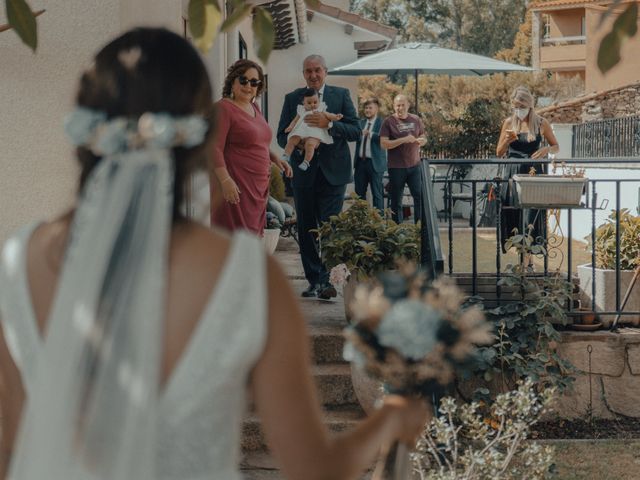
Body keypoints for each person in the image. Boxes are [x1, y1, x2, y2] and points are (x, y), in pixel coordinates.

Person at [0, 28, 430, 480]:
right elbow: (315, 468)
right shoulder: (246, 275)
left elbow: (9, 451)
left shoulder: (17, 261)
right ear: (197, 134)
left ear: (85, 128)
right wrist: (393, 416)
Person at [277, 54, 361, 299]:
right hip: (303, 174)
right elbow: (282, 135)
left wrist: (330, 124)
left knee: (331, 228)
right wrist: (300, 146)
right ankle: (315, 280)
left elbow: (355, 131)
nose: (313, 75)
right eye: (308, 71)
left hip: (334, 174)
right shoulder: (293, 98)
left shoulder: (341, 95)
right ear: (304, 74)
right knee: (307, 229)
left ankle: (331, 281)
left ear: (325, 71)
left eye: (317, 70)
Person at [210, 59, 292, 236]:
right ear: (233, 81)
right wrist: (225, 181)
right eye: (243, 80)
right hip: (235, 184)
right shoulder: (223, 108)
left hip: (257, 187)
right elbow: (214, 148)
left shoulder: (254, 107)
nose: (249, 86)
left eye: (254, 82)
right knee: (234, 238)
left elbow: (257, 142)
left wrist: (275, 158)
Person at [496, 86, 559, 255]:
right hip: (513, 172)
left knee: (530, 216)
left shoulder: (540, 122)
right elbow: (499, 152)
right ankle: (522, 258)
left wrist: (546, 150)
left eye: (522, 107)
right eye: (516, 107)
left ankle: (528, 260)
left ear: (529, 105)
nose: (519, 110)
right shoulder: (509, 123)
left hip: (532, 173)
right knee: (514, 214)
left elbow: (556, 146)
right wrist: (507, 141)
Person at [380, 94, 427, 223]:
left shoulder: (416, 119)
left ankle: (419, 228)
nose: (400, 108)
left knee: (419, 197)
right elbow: (383, 144)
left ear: (408, 105)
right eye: (397, 105)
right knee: (396, 201)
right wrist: (403, 140)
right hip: (396, 168)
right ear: (394, 106)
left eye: (402, 105)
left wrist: (422, 141)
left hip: (414, 166)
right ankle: (397, 231)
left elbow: (423, 137)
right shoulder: (388, 122)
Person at [282, 87, 343, 172]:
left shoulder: (320, 109)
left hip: (314, 134)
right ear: (303, 103)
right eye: (309, 103)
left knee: (310, 145)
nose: (312, 105)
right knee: (292, 139)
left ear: (319, 101)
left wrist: (336, 117)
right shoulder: (301, 110)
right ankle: (286, 155)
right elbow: (295, 121)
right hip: (301, 132)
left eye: (315, 102)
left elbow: (329, 115)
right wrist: (290, 127)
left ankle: (306, 162)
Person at [354, 97, 386, 213]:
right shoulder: (360, 123)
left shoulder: (382, 123)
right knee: (359, 195)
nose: (367, 110)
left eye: (370, 108)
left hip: (375, 163)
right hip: (360, 163)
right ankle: (362, 222)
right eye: (366, 108)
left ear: (376, 109)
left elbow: (384, 138)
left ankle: (379, 224)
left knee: (377, 194)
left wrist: (370, 134)